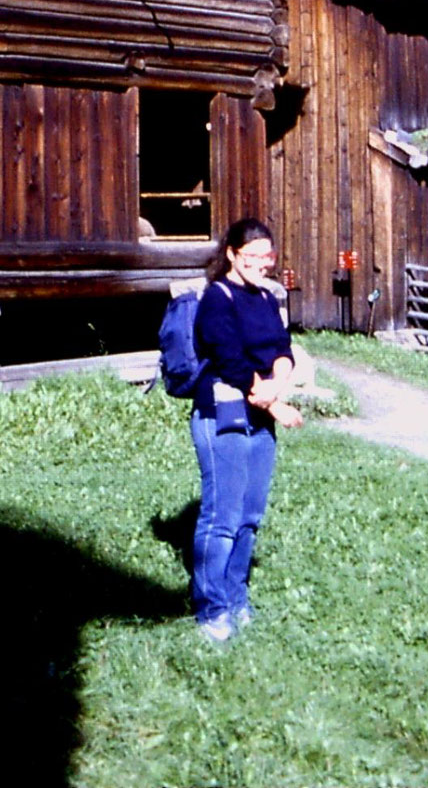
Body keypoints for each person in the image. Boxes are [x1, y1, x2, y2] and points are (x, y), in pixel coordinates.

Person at [190, 217, 302, 642]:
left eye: (267, 256)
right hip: (222, 417)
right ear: (232, 255)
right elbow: (231, 361)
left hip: (259, 417)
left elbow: (282, 348)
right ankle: (211, 610)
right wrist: (275, 403)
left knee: (250, 517)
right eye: (251, 255)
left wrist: (280, 380)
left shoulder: (267, 299)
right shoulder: (217, 299)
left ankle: (237, 598)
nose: (261, 263)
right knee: (221, 518)